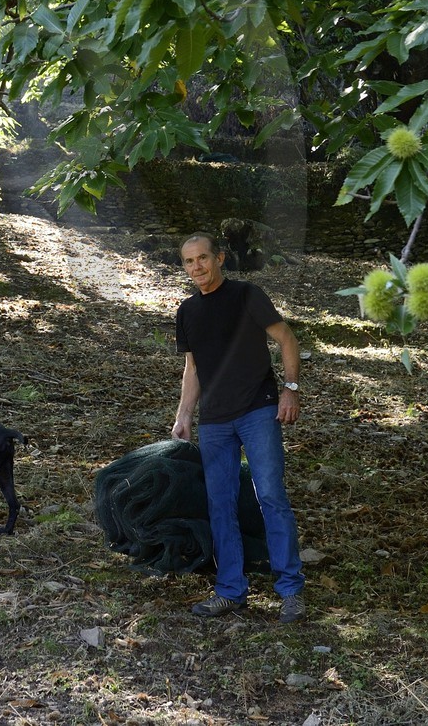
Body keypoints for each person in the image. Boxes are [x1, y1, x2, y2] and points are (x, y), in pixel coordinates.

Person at [170, 231, 307, 623]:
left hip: (258, 410)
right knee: (221, 505)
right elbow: (192, 368)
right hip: (214, 421)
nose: (197, 267)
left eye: (203, 259)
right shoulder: (187, 312)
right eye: (189, 261)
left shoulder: (247, 295)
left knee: (271, 497)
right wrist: (184, 416)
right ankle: (231, 591)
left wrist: (290, 390)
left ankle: (291, 591)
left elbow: (286, 338)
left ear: (220, 259)